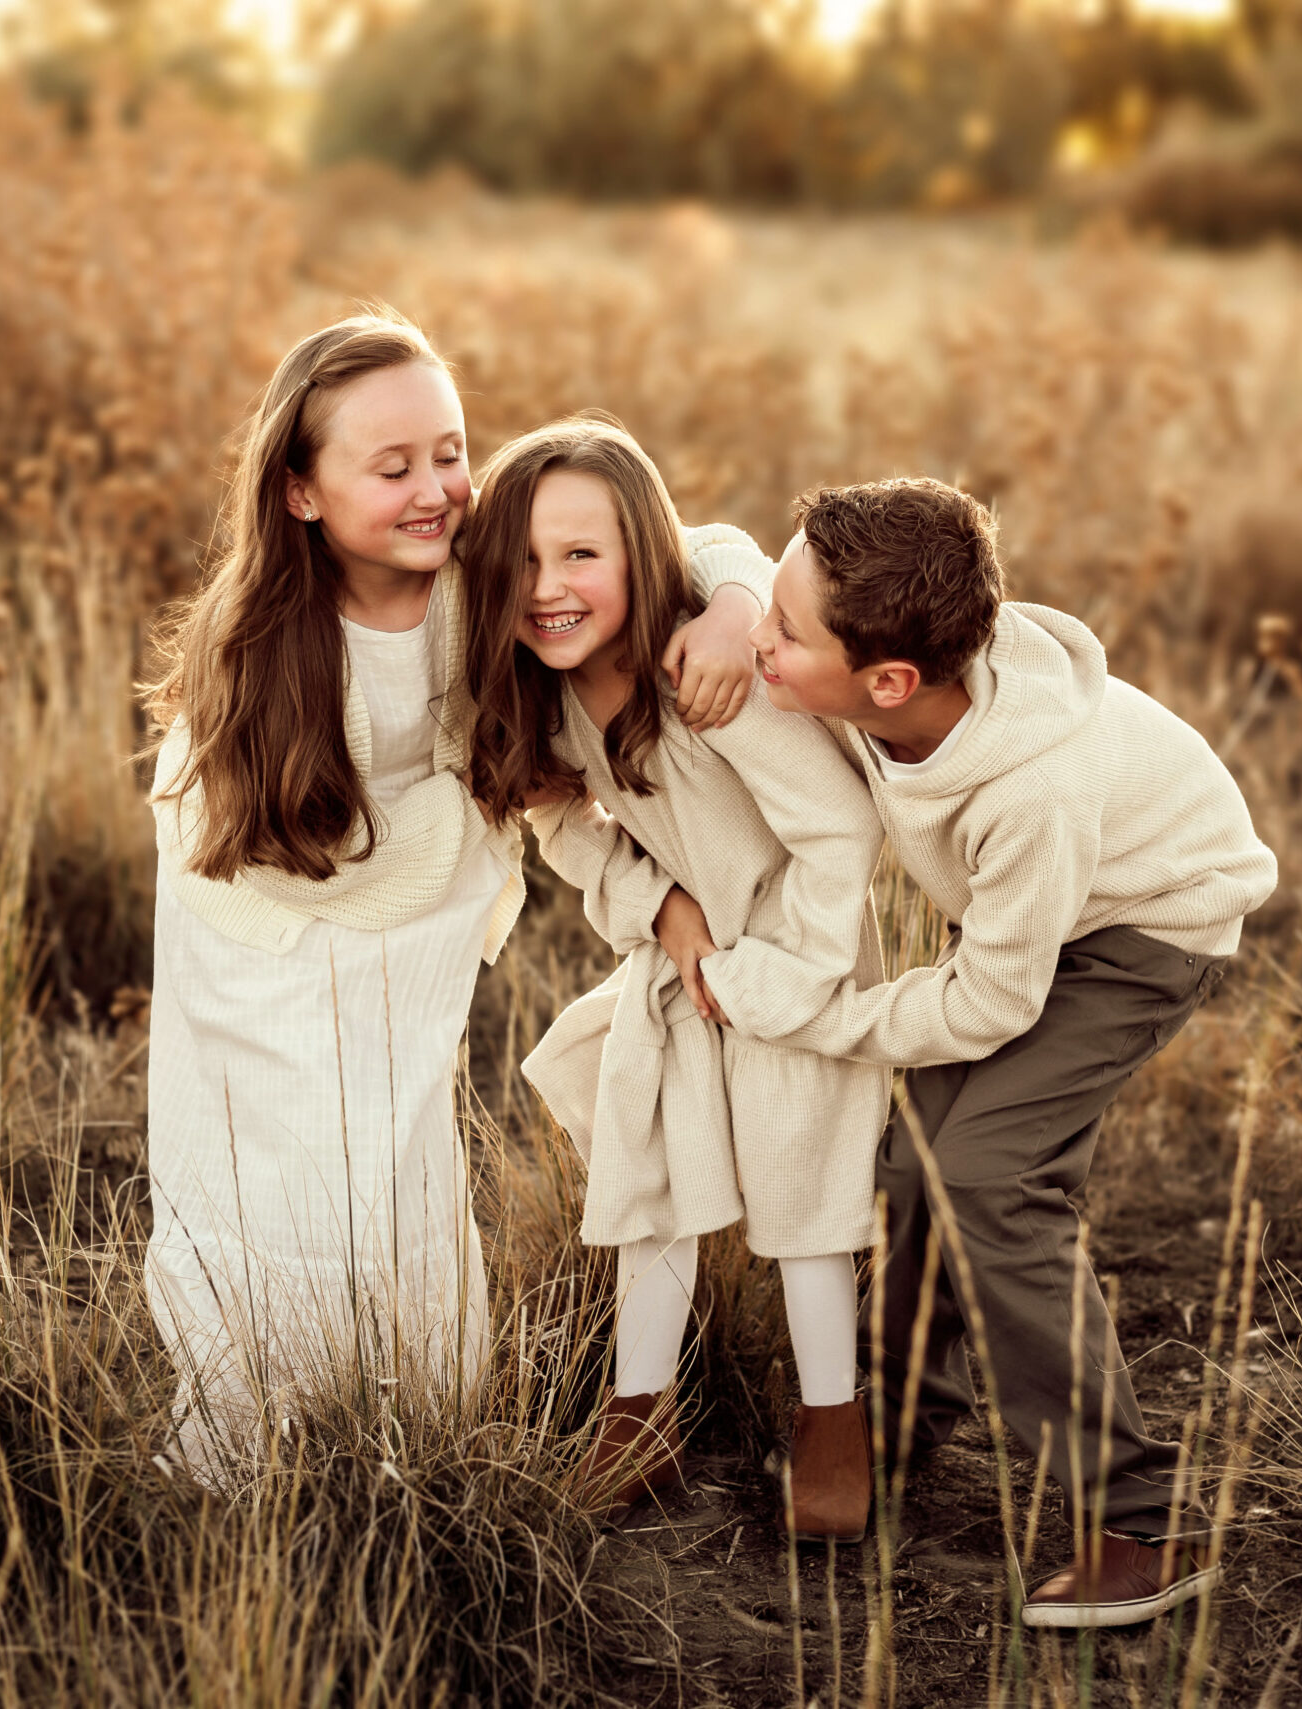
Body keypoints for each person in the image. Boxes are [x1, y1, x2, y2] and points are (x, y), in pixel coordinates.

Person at [137, 314, 770, 1477]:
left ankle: (403, 1443)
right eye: (392, 468)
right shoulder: (261, 644)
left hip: (400, 964)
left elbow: (676, 537)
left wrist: (732, 606)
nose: (436, 489)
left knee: (394, 1162)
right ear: (300, 492)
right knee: (276, 1181)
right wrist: (488, 789)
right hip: (265, 946)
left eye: (448, 449)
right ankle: (251, 1445)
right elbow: (291, 845)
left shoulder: (480, 576)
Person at [711, 477, 1278, 1626]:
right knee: (916, 1159)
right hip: (1032, 915)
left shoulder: (1031, 789)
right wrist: (730, 598)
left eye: (780, 628)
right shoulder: (879, 663)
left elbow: (986, 1006)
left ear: (887, 683)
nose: (757, 640)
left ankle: (1141, 1518)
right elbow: (698, 550)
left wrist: (805, 1011)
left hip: (1143, 922)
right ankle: (899, 1427)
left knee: (989, 1173)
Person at [461, 417, 890, 1541]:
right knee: (647, 1150)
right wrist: (663, 909)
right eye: (519, 564)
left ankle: (830, 1417)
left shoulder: (709, 675)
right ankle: (637, 1411)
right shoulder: (545, 689)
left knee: (802, 1181)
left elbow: (839, 829)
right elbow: (562, 822)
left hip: (803, 954)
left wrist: (779, 975)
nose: (548, 588)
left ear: (641, 557)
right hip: (688, 955)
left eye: (579, 556)